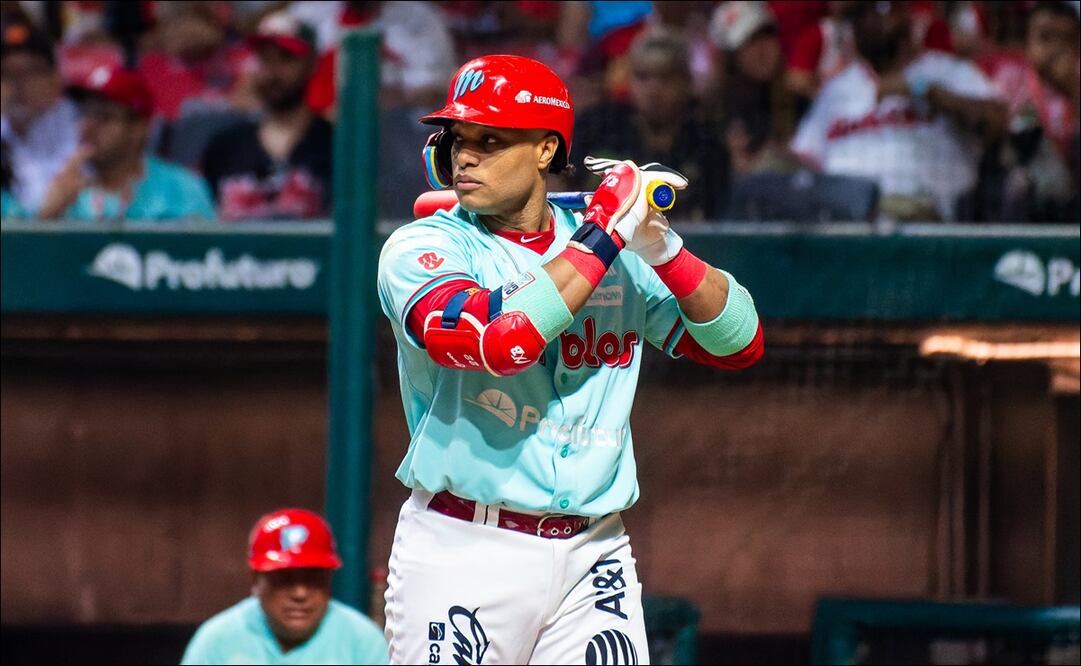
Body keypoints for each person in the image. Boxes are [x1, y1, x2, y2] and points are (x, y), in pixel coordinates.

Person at [377, 55, 763, 664]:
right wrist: (606, 230)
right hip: (464, 545)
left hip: (594, 552)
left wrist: (661, 247)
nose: (465, 157)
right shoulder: (424, 245)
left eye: (490, 140)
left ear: (545, 149)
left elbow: (740, 343)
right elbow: (496, 341)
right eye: (458, 139)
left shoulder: (615, 247)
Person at [790, 0, 1007, 221]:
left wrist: (924, 90)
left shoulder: (946, 70)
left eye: (879, 8)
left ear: (904, 13)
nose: (867, 23)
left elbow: (996, 123)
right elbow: (804, 159)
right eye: (858, 16)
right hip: (846, 222)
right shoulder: (837, 87)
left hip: (924, 222)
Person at [181, 508, 389, 665]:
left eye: (313, 578)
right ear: (255, 580)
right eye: (284, 578)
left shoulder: (363, 641)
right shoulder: (217, 640)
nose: (300, 593)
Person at [570, 33, 729, 221]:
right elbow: (564, 187)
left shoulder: (707, 143)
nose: (653, 90)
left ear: (686, 82)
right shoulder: (596, 127)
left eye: (665, 77)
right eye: (643, 76)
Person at [37, 64, 215, 221]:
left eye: (104, 116)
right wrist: (48, 217)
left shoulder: (182, 190)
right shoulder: (65, 190)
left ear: (139, 128)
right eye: (84, 113)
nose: (87, 127)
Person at [201, 12, 332, 221]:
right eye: (264, 59)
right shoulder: (224, 146)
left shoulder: (335, 145)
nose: (272, 72)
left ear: (311, 64)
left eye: (286, 59)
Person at [0, 21, 79, 214]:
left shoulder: (83, 126)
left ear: (55, 79)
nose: (18, 83)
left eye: (31, 71)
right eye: (6, 73)